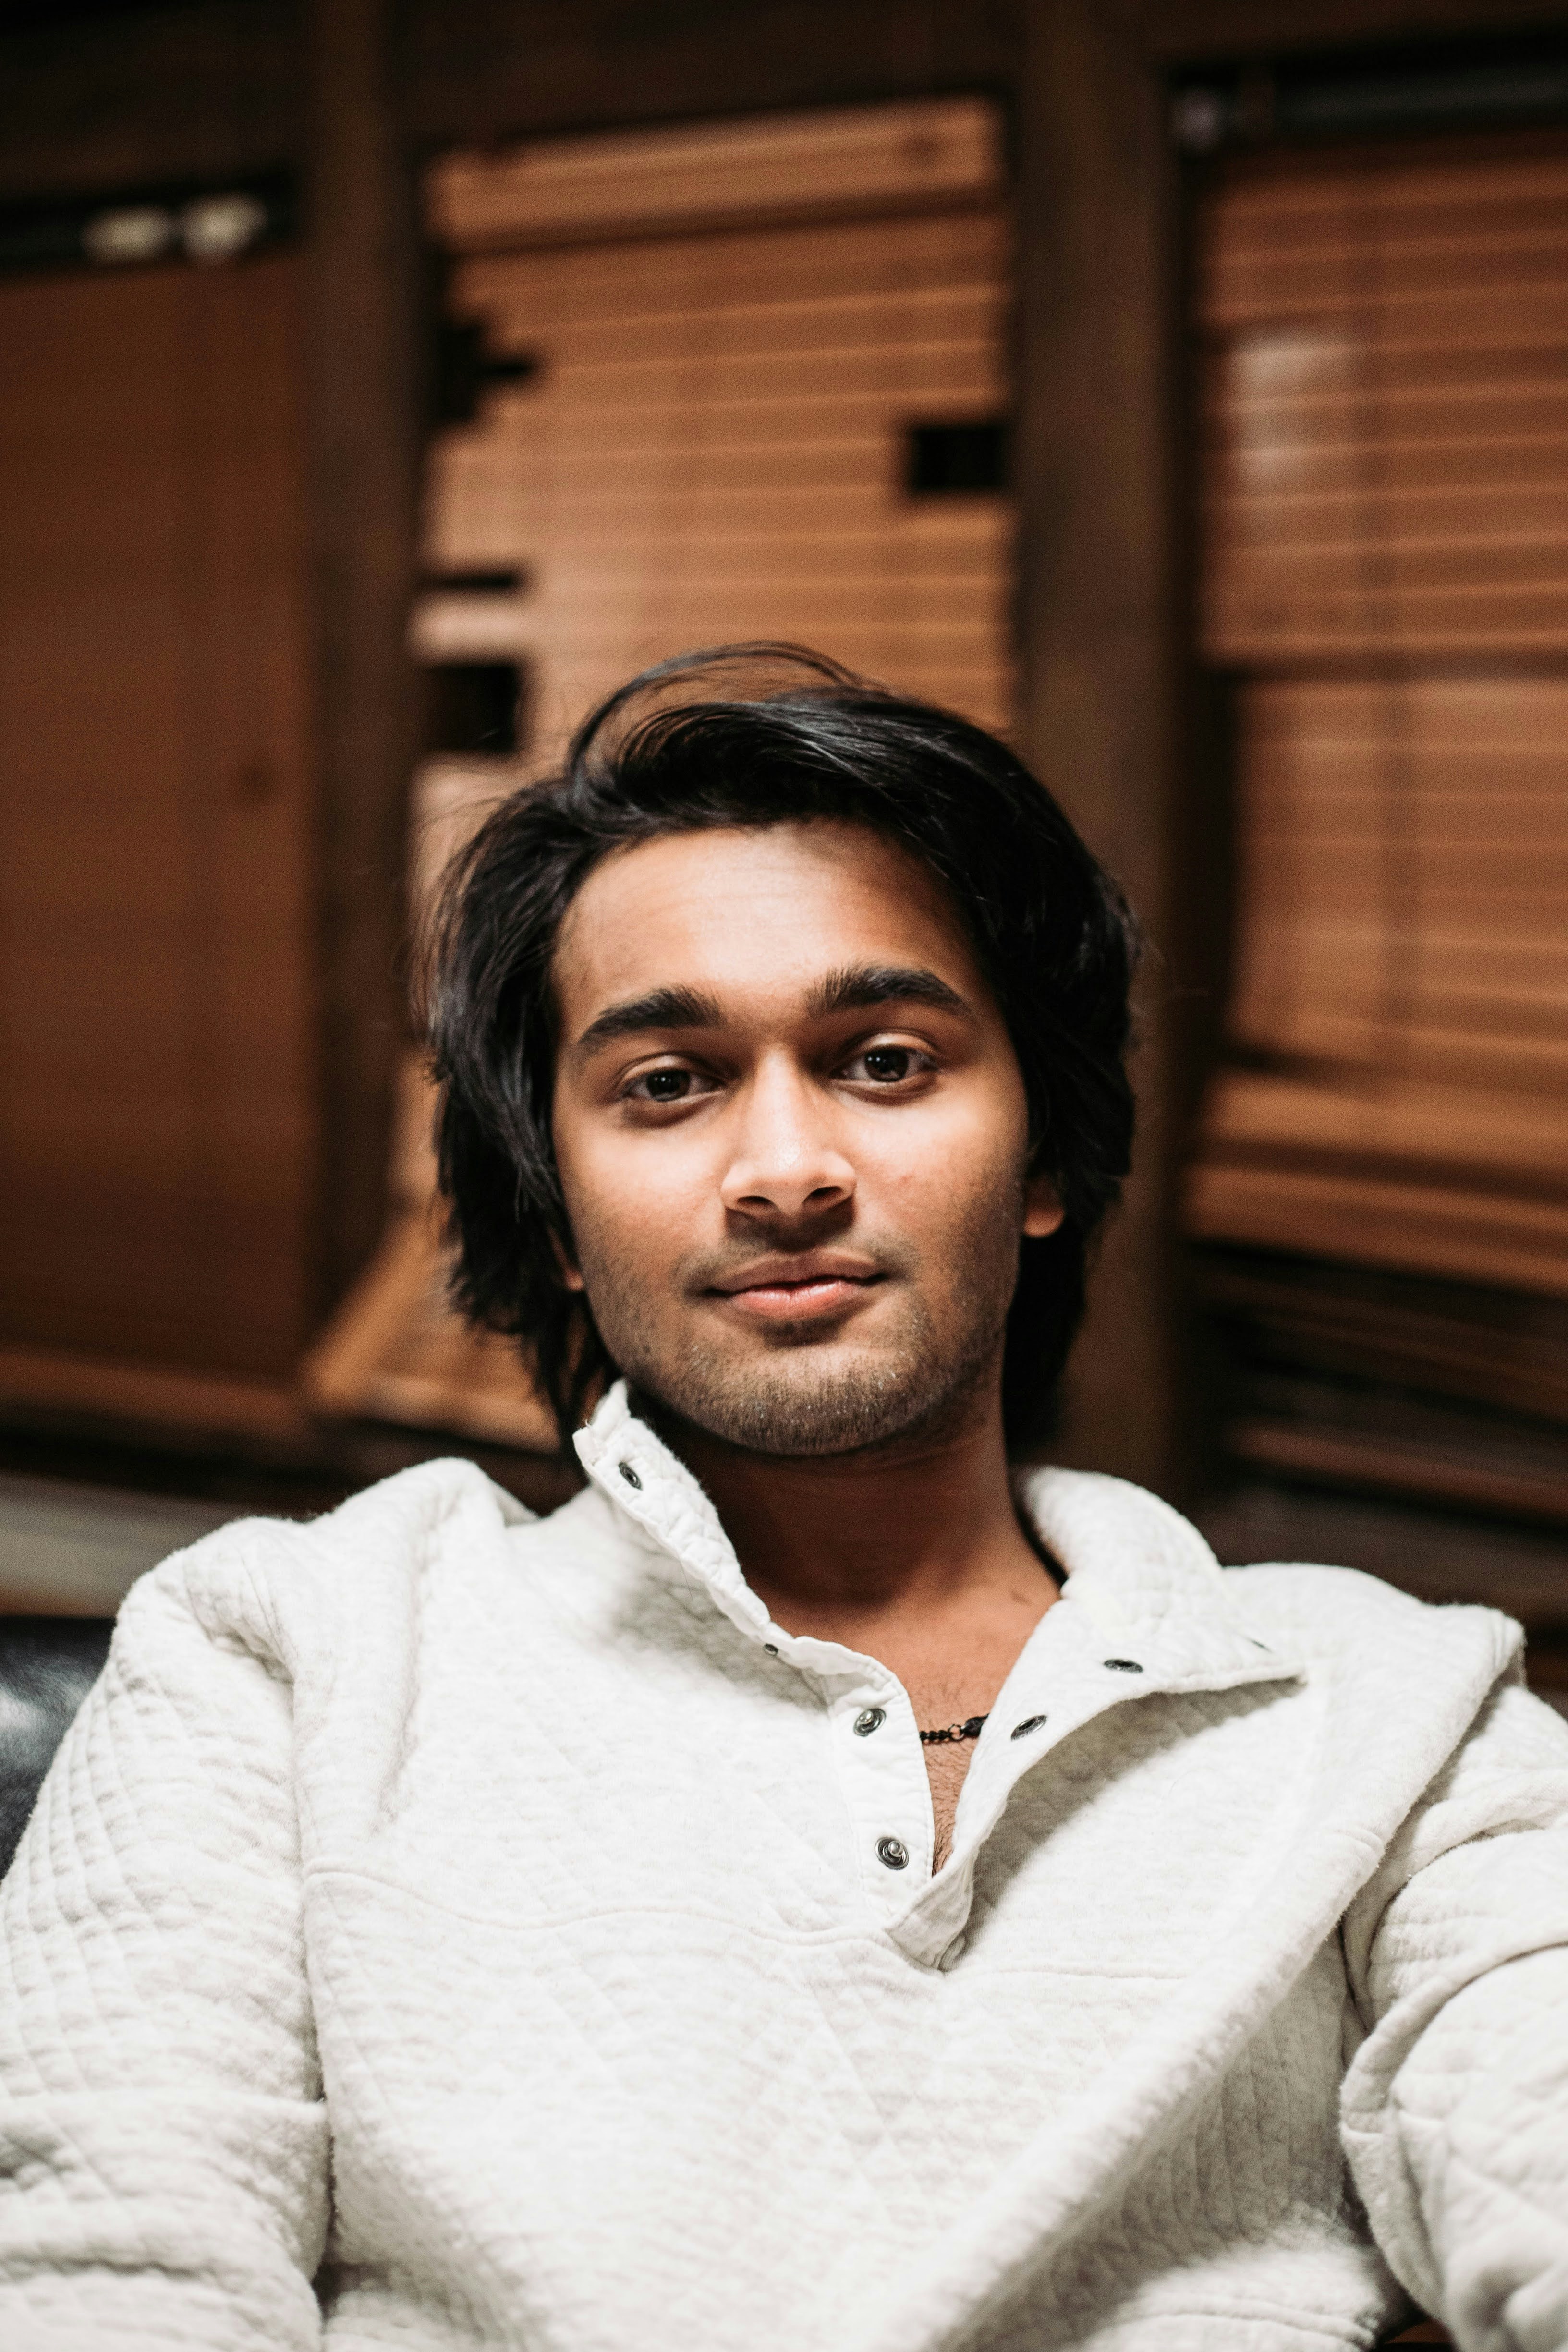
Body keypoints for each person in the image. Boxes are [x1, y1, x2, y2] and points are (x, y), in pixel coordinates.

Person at [1, 646, 1565, 2352]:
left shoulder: (1402, 1716)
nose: (784, 1168)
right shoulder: (282, 1651)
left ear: (1042, 1158)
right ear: (553, 1221)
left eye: (885, 1060)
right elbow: (112, 2285)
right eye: (666, 1083)